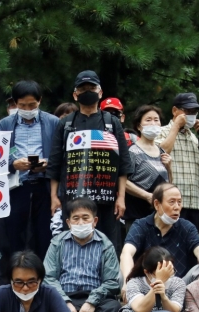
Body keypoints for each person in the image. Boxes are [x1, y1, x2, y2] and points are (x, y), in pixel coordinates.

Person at [47, 71, 134, 251]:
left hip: (106, 199)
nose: (87, 92)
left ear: (100, 92)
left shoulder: (112, 123)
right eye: (83, 89)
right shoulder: (65, 124)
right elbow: (55, 163)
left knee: (108, 246)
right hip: (73, 199)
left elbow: (123, 164)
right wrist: (54, 197)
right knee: (72, 245)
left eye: (91, 88)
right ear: (75, 95)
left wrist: (121, 198)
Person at [44, 197, 121, 312]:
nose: (80, 223)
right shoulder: (57, 243)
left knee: (114, 307)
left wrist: (92, 301)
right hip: (64, 297)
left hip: (94, 299)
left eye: (85, 218)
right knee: (45, 306)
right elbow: (48, 277)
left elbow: (112, 282)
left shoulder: (105, 244)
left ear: (95, 221)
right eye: (76, 218)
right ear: (68, 222)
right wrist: (65, 302)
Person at [0, 80, 60, 259]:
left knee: (44, 235)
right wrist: (13, 164)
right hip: (16, 186)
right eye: (22, 105)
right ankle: (15, 270)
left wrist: (47, 163)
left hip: (44, 185)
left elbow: (60, 155)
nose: (27, 109)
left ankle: (43, 271)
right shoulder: (5, 124)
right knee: (14, 234)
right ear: (15, 103)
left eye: (32, 105)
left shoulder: (53, 122)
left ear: (40, 101)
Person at [120, 184, 199, 282]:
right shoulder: (141, 225)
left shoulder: (187, 227)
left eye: (179, 202)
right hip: (146, 284)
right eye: (172, 202)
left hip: (180, 284)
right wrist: (128, 282)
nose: (177, 207)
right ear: (157, 204)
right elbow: (127, 252)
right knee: (122, 272)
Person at [156, 93, 199, 228]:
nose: (191, 115)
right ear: (175, 110)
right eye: (187, 111)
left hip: (194, 202)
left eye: (194, 112)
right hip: (171, 202)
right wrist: (176, 126)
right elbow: (160, 153)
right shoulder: (161, 131)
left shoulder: (194, 138)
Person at [124, 105, 171, 231]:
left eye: (156, 120)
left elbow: (168, 184)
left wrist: (169, 167)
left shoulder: (162, 152)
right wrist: (147, 196)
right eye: (148, 120)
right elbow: (123, 181)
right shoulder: (132, 151)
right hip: (137, 215)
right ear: (139, 126)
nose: (153, 123)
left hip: (160, 216)